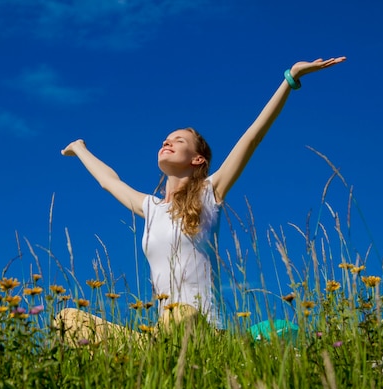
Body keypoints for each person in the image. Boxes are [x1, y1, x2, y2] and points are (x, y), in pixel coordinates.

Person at [53, 57, 346, 346]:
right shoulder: (152, 209)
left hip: (204, 328)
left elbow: (251, 138)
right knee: (64, 318)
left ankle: (143, 349)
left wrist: (290, 79)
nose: (166, 142)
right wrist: (80, 149)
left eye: (178, 140)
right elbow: (109, 181)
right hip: (166, 330)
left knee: (179, 314)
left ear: (197, 159)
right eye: (166, 139)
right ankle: (145, 350)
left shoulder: (210, 192)